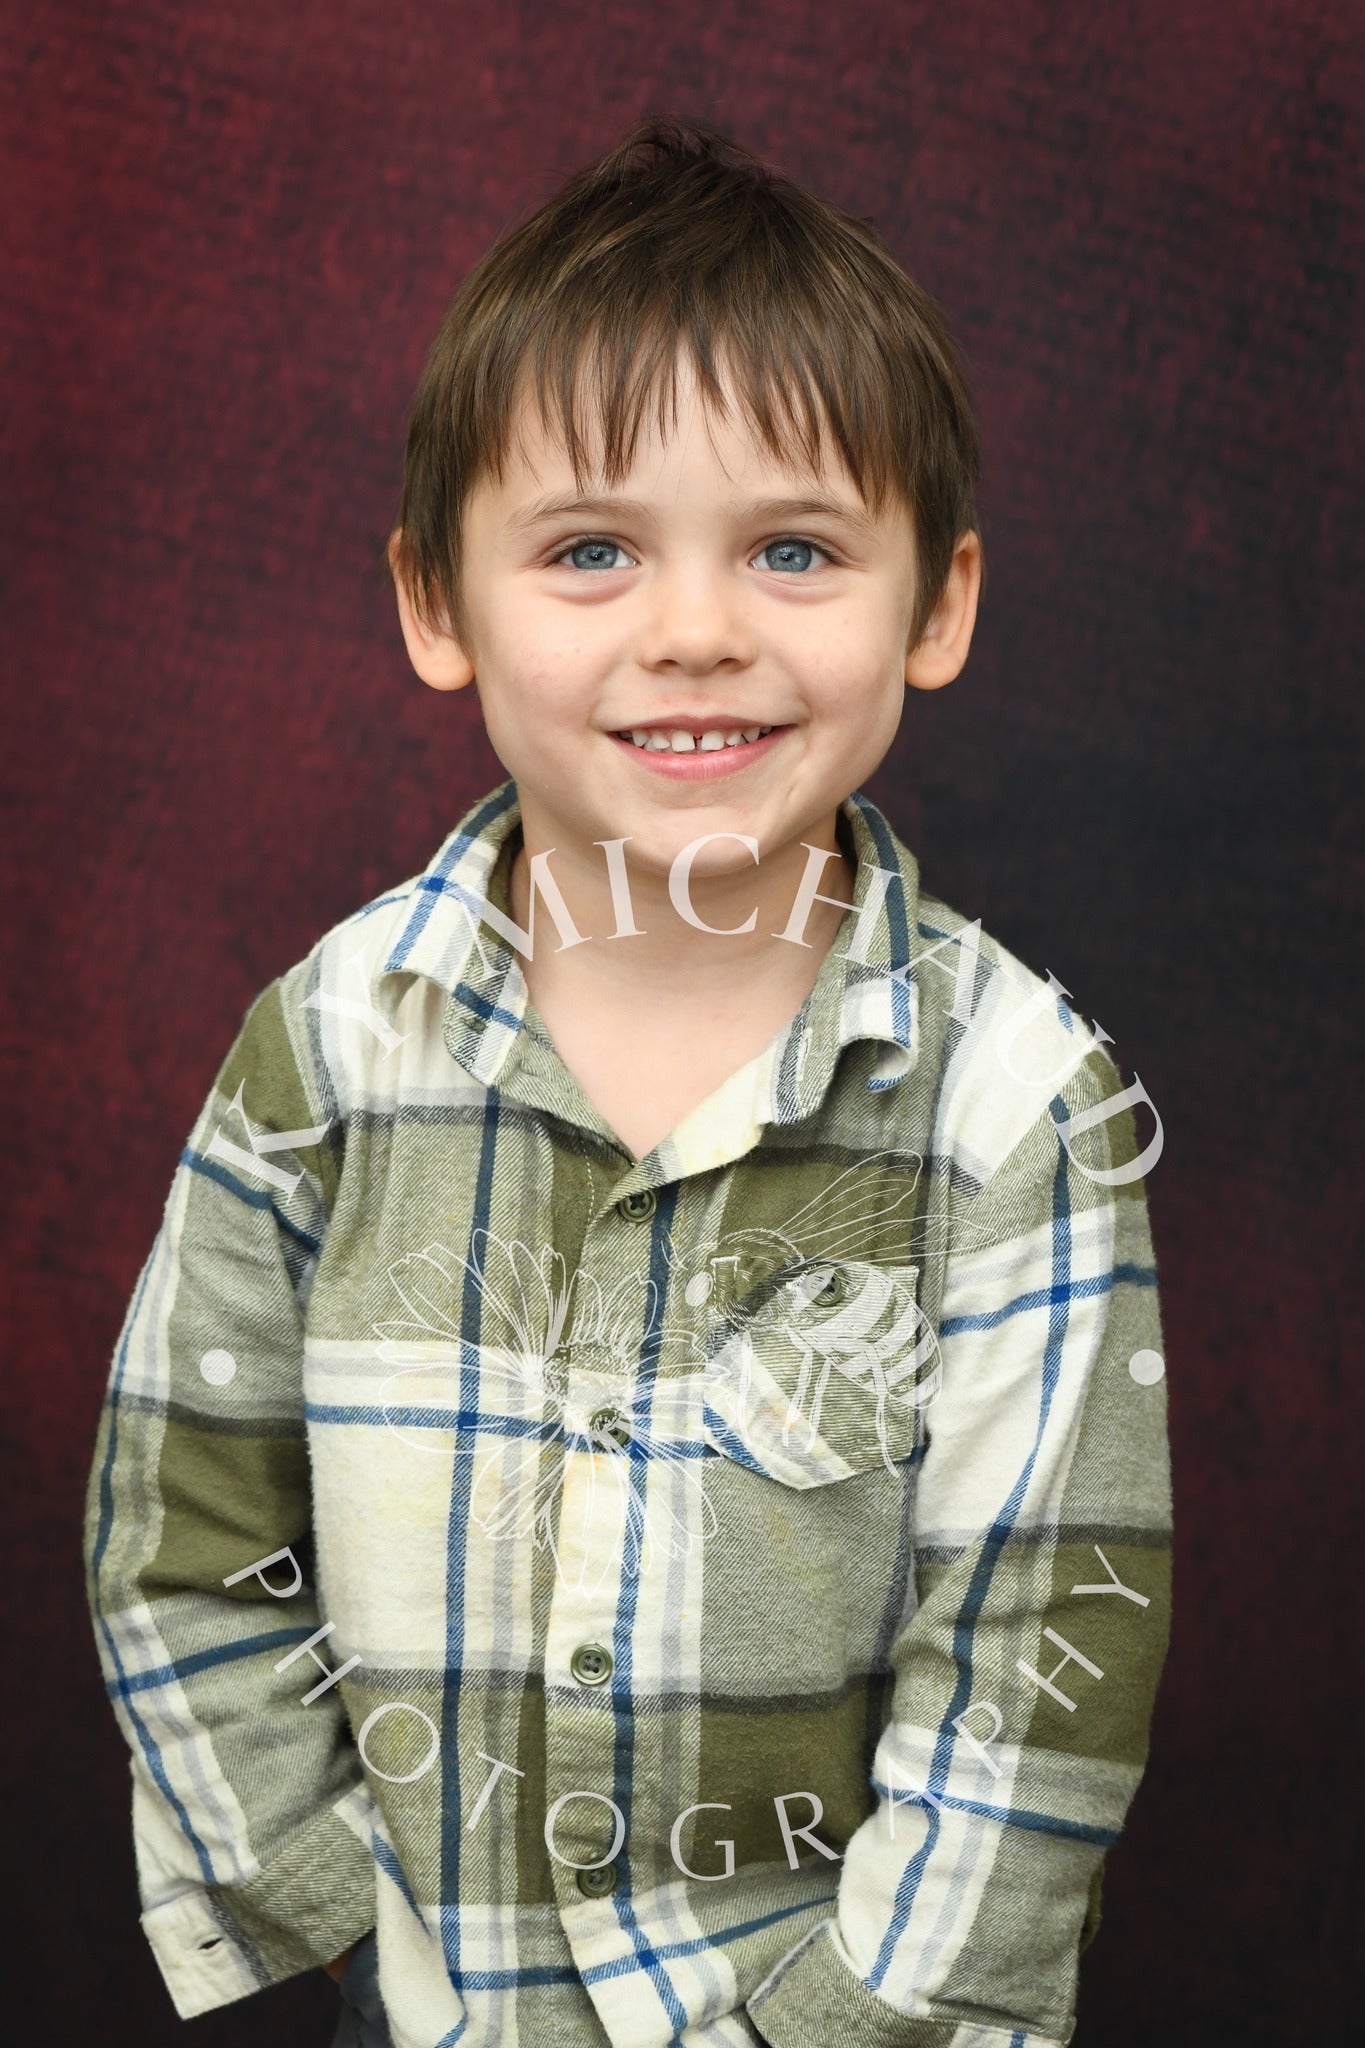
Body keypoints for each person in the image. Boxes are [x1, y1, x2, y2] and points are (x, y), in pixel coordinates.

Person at [83, 118, 1172, 2048]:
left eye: (793, 549)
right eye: (591, 549)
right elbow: (181, 1522)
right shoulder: (329, 1052)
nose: (695, 628)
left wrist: (845, 2016)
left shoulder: (1018, 1100)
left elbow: (1041, 1646)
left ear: (935, 605)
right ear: (438, 604)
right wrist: (334, 1904)